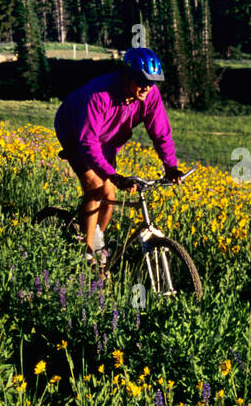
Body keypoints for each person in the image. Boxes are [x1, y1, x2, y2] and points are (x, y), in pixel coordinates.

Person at [54, 46, 183, 254]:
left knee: (109, 193)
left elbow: (160, 134)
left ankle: (97, 242)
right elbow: (87, 142)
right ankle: (85, 254)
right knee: (95, 187)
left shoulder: (150, 96)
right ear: (127, 76)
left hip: (107, 139)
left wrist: (171, 167)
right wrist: (114, 175)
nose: (147, 87)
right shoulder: (100, 95)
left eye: (152, 82)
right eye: (142, 81)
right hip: (74, 130)